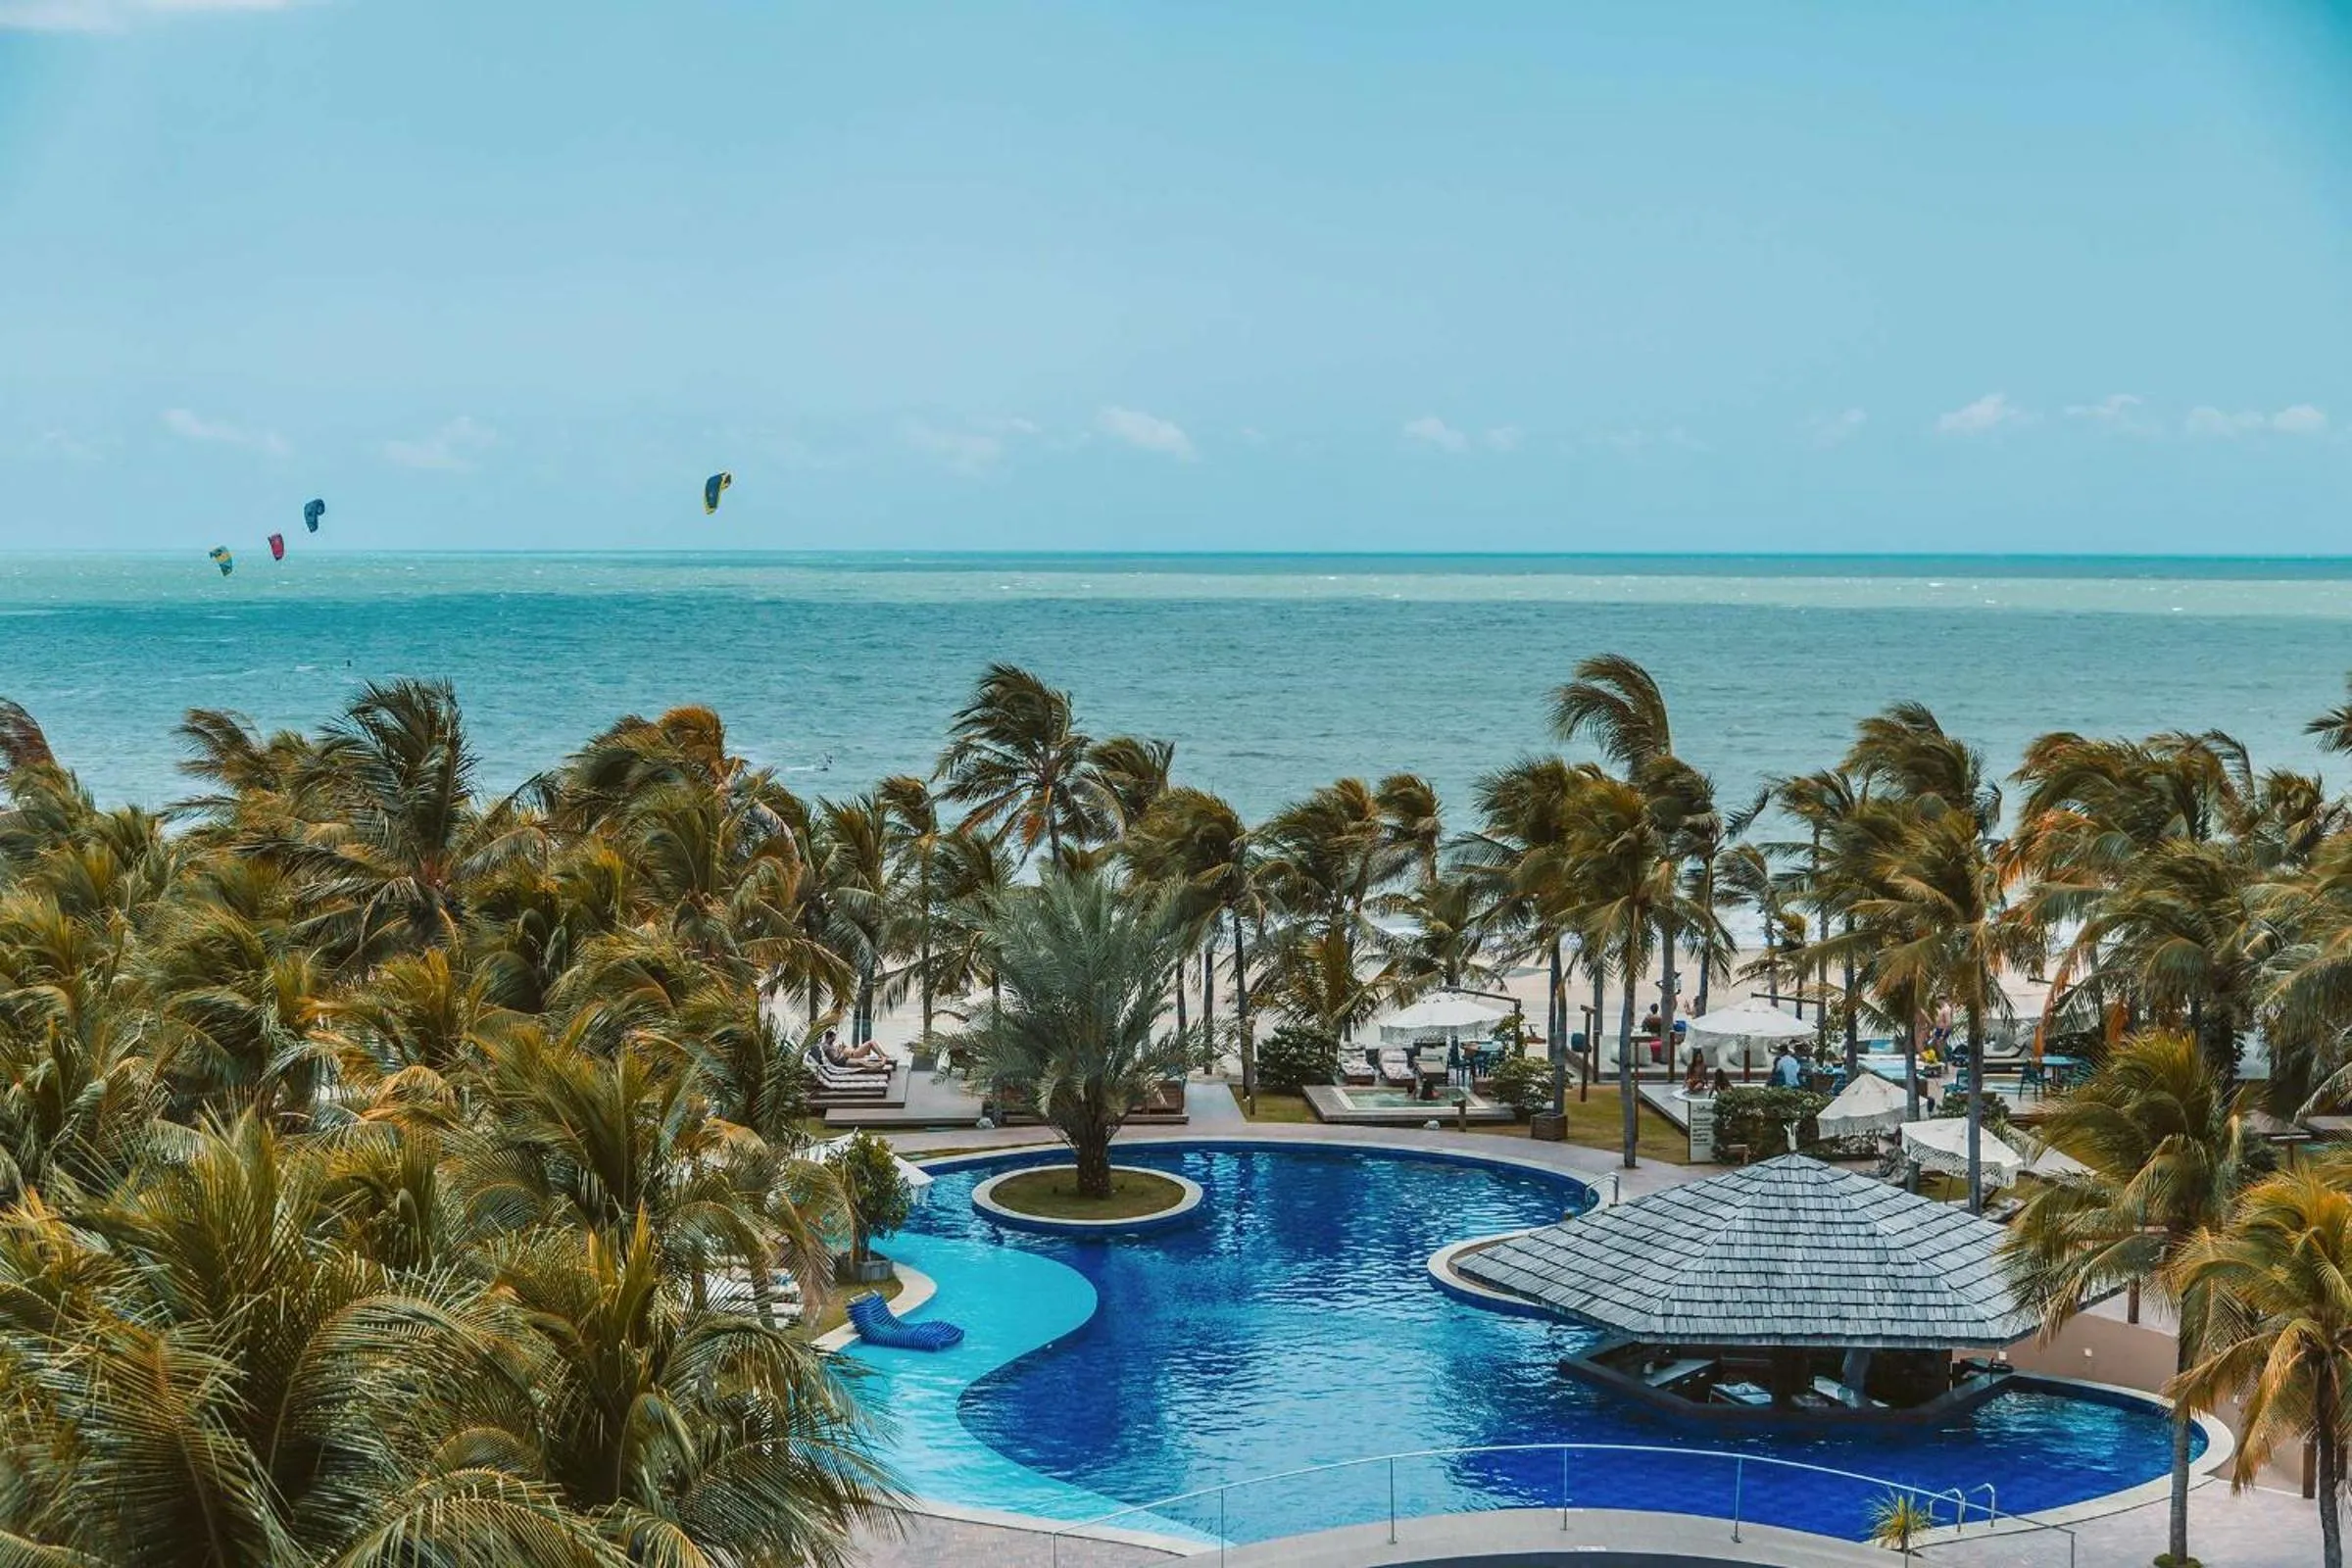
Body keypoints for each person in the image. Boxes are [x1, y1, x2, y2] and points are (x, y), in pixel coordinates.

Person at [824, 1029, 892, 1070]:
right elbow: (835, 1058)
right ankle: (881, 1064)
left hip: (846, 1058)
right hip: (845, 1060)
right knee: (861, 1063)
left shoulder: (830, 1045)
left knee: (862, 1062)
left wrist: (841, 1048)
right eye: (834, 1037)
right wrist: (840, 1050)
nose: (835, 1038)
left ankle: (880, 1061)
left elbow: (835, 1055)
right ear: (830, 1037)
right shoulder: (827, 1047)